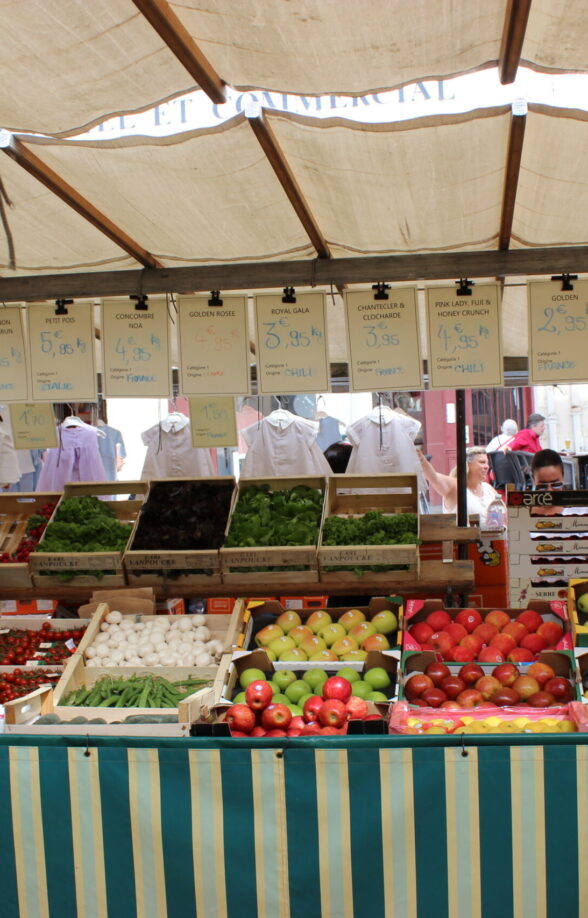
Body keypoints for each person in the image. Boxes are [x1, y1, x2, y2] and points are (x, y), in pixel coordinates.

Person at [418, 446, 500, 528]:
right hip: (464, 539)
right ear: (467, 464)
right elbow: (434, 478)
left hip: (494, 539)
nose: (487, 467)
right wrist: (421, 459)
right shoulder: (455, 486)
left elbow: (504, 515)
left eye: (487, 463)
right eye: (482, 462)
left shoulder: (488, 489)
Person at [529, 448, 588, 516]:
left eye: (556, 484)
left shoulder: (581, 510)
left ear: (563, 478)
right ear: (533, 481)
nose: (549, 490)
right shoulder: (522, 512)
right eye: (542, 486)